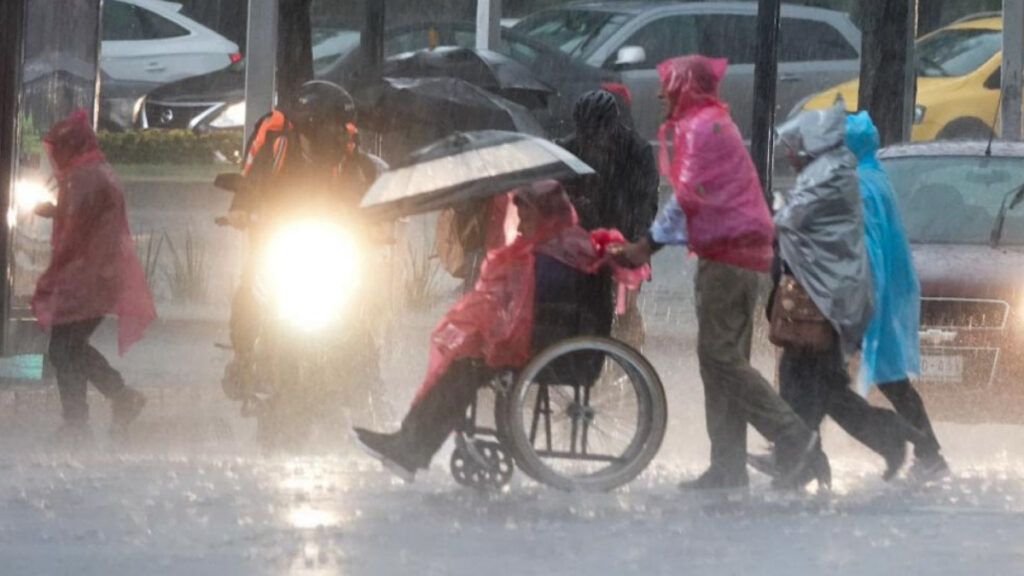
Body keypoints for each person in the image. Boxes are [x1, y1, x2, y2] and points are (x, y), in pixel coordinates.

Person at [612, 55, 821, 491]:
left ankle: (794, 438)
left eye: (669, 87)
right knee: (722, 362)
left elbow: (686, 197)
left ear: (686, 88)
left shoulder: (702, 128)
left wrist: (645, 246)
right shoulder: (712, 124)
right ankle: (728, 465)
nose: (662, 96)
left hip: (729, 257)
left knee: (720, 358)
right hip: (738, 255)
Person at [352, 181, 641, 481]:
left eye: (526, 216)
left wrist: (499, 324)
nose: (521, 224)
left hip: (550, 348)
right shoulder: (554, 245)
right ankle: (409, 442)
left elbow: (538, 304)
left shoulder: (559, 252)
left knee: (464, 369)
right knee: (463, 362)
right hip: (545, 340)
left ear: (545, 214)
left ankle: (411, 448)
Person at [768, 101, 926, 482]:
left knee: (809, 382)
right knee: (820, 387)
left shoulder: (840, 179)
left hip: (827, 305)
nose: (791, 154)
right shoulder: (850, 175)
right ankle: (805, 457)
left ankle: (802, 458)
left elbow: (803, 227)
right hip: (832, 303)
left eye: (798, 146)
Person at [221, 80, 385, 394]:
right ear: (306, 127)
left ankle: (370, 383)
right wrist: (240, 208)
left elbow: (361, 185)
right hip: (277, 234)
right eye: (327, 128)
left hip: (331, 238)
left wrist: (374, 220)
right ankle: (243, 357)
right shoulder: (275, 137)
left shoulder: (348, 147)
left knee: (359, 297)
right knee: (250, 289)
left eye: (339, 128)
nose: (335, 135)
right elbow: (251, 176)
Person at [32, 109, 155, 440]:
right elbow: (90, 219)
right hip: (98, 276)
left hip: (88, 278)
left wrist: (53, 275)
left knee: (65, 348)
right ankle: (98, 409)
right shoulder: (96, 172)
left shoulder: (83, 177)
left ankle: (92, 413)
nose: (56, 156)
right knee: (69, 347)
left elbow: (79, 229)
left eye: (59, 148)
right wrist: (58, 212)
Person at [846, 111, 948, 480]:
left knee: (816, 374)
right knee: (887, 378)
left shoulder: (861, 184)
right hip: (886, 291)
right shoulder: (875, 176)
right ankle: (927, 450)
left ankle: (915, 445)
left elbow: (868, 245)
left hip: (869, 294)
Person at [558, 89, 659, 348]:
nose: (592, 142)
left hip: (625, 235)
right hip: (583, 239)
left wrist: (636, 242)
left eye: (597, 135)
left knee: (624, 308)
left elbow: (646, 202)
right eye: (586, 135)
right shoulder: (567, 149)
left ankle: (629, 356)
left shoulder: (637, 151)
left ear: (612, 126)